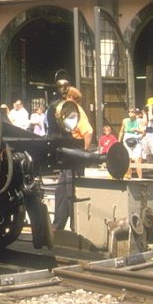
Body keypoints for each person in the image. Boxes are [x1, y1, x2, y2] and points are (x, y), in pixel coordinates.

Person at [52, 86, 93, 232]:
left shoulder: (76, 111)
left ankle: (76, 226)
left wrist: (84, 153)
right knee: (61, 190)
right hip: (67, 154)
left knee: (71, 190)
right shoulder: (68, 111)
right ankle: (58, 225)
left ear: (70, 98)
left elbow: (88, 132)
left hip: (75, 153)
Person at [119, 107, 144, 179]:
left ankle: (140, 178)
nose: (130, 113)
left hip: (136, 140)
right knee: (128, 160)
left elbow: (143, 131)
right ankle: (128, 176)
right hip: (127, 140)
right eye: (129, 111)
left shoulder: (139, 121)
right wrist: (119, 142)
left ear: (135, 114)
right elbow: (121, 131)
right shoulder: (125, 121)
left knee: (137, 160)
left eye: (132, 112)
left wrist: (137, 130)